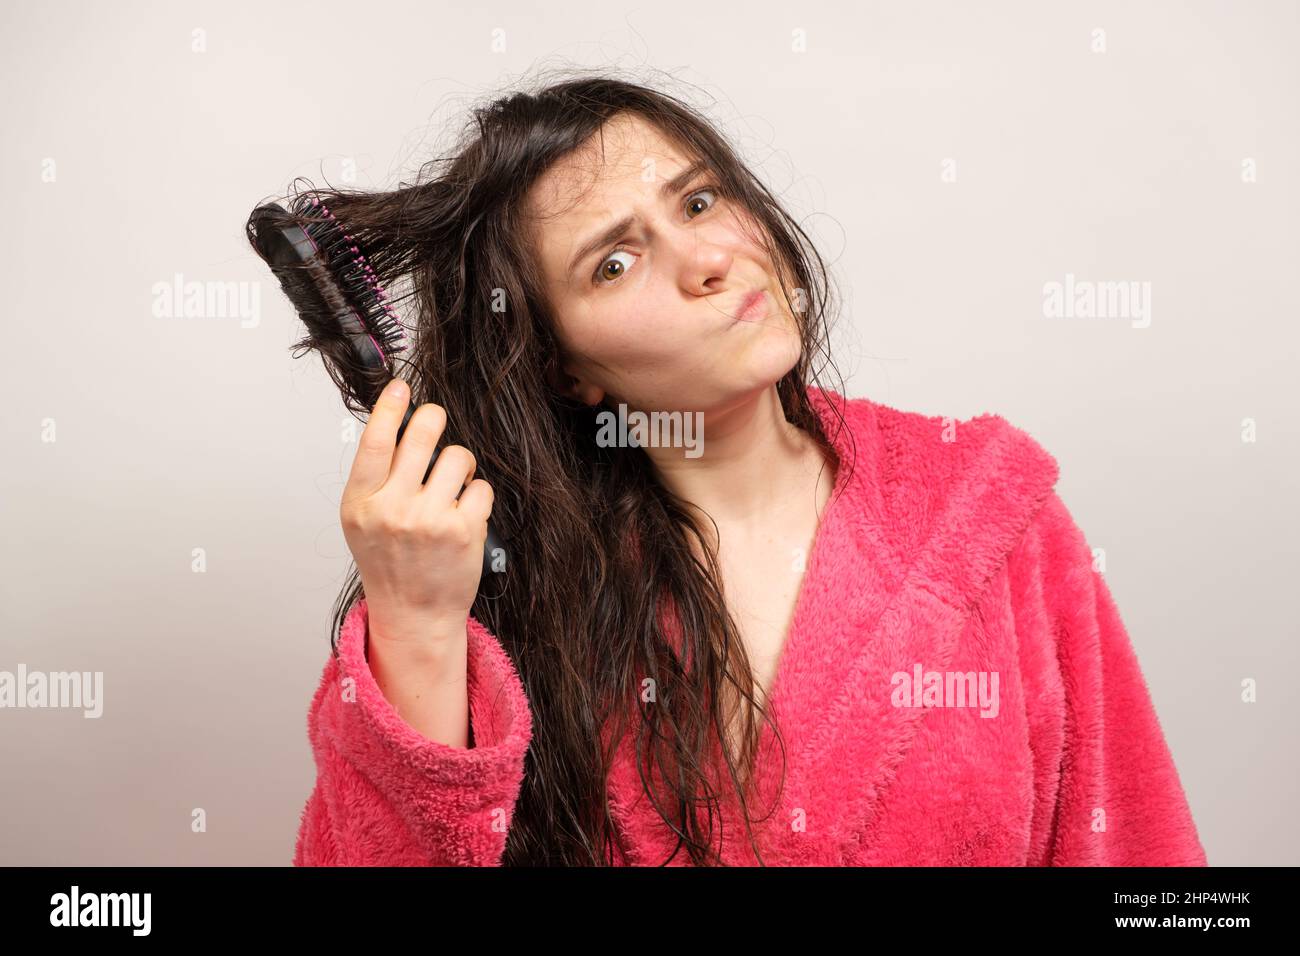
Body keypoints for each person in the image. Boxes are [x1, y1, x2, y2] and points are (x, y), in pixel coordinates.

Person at [288, 73, 1207, 867]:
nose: (707, 261)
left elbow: (1135, 850)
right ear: (568, 370)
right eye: (614, 262)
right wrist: (413, 628)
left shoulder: (991, 511)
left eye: (697, 201)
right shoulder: (505, 595)